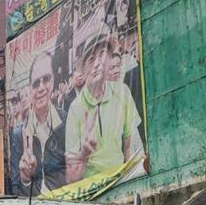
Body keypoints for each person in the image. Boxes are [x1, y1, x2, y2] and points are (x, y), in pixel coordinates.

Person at [64, 35, 144, 184]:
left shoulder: (123, 92)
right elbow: (71, 179)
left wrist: (133, 184)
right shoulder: (75, 109)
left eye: (102, 54)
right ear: (83, 70)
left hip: (120, 181)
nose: (97, 64)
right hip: (92, 190)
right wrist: (83, 154)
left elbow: (130, 146)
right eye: (91, 59)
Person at [11, 52, 67, 196]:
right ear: (30, 90)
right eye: (36, 83)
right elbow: (16, 189)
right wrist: (25, 179)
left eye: (46, 79)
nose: (41, 88)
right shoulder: (19, 134)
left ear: (53, 80)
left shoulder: (65, 121)